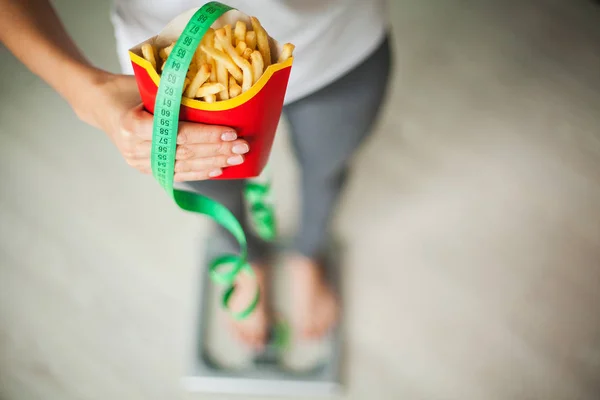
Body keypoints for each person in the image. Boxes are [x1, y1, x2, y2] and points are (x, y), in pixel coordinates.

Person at [1, 0, 392, 348]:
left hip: (337, 45)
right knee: (213, 190)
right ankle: (245, 262)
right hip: (174, 77)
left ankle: (308, 255)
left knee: (326, 170)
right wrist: (87, 93)